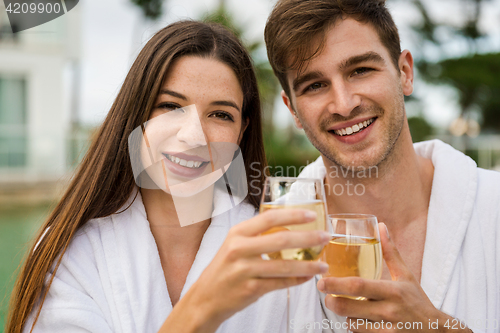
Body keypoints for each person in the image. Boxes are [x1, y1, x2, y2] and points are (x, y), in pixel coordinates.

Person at [6, 21, 331, 333]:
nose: (193, 136)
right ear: (136, 114)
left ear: (241, 131)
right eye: (170, 106)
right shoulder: (73, 254)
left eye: (220, 114)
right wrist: (202, 309)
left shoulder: (282, 248)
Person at [265, 0, 500, 332]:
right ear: (292, 110)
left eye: (360, 70)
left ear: (404, 72)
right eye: (315, 85)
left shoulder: (494, 210)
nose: (344, 104)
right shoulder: (271, 247)